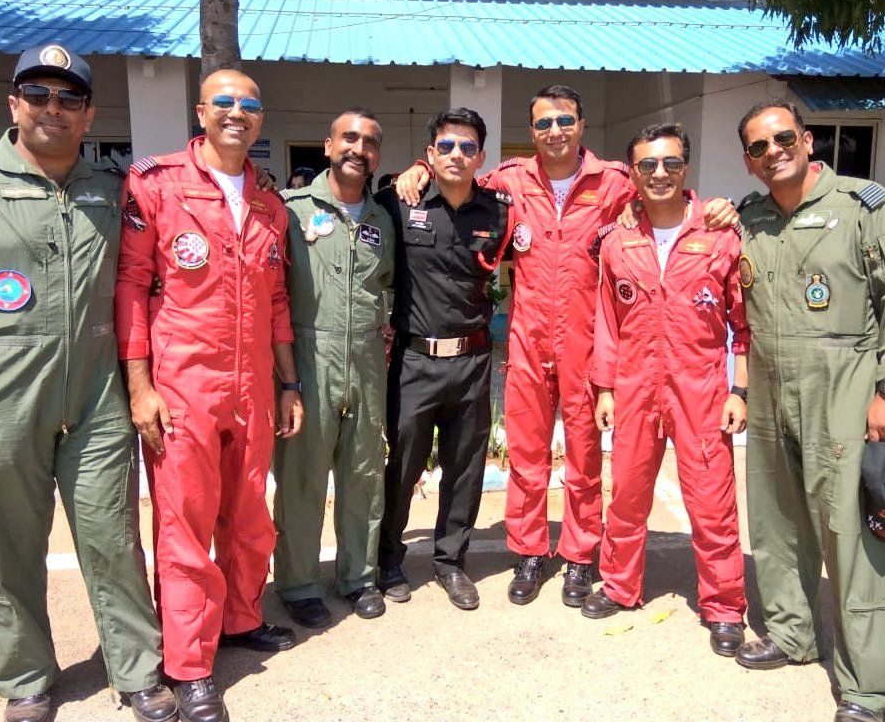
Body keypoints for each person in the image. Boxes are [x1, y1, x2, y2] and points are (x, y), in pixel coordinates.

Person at [396, 85, 736, 607]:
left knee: (584, 459)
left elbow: (669, 200)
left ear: (581, 125)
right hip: (529, 340)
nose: (554, 130)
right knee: (528, 455)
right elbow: (454, 176)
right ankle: (530, 551)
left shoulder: (617, 184)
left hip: (588, 344)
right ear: (532, 131)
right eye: (543, 123)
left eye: (565, 120)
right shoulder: (509, 180)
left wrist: (717, 208)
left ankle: (580, 557)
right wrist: (417, 170)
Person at [0, 43, 175, 722]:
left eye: (69, 98)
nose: (53, 109)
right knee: (7, 549)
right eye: (37, 94)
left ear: (89, 112)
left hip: (95, 397)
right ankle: (27, 678)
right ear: (13, 103)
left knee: (111, 538)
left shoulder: (112, 188)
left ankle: (136, 670)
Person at [116, 69, 302, 722]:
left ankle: (241, 620)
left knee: (250, 513)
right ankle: (189, 665)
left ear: (259, 119)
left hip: (252, 384)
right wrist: (140, 386)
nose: (236, 113)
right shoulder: (158, 185)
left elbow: (277, 301)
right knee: (186, 525)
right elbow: (133, 285)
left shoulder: (268, 203)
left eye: (249, 105)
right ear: (200, 111)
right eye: (223, 102)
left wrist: (288, 383)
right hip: (186, 384)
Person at [733, 100, 885, 722]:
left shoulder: (865, 206)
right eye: (759, 147)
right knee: (776, 518)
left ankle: (869, 688)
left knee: (851, 532)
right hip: (769, 383)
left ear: (807, 139)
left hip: (845, 380)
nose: (774, 152)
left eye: (783, 138)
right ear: (749, 161)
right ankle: (792, 634)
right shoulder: (750, 218)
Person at [589, 124, 748, 657]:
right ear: (632, 173)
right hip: (634, 387)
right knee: (628, 494)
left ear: (687, 169)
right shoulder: (617, 242)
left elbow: (743, 324)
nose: (660, 174)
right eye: (648, 165)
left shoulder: (722, 235)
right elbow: (607, 323)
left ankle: (724, 606)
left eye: (671, 164)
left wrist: (738, 390)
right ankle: (619, 585)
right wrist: (605, 388)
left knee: (712, 503)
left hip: (700, 389)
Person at [376, 108, 511, 610]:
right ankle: (388, 559)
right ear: (431, 154)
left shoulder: (499, 210)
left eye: (468, 147)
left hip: (473, 362)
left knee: (465, 467)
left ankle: (450, 562)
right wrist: (407, 172)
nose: (457, 155)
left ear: (481, 156)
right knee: (404, 466)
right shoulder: (397, 200)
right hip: (414, 362)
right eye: (447, 146)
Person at [273, 108, 395, 626]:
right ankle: (299, 583)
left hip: (366, 358)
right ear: (327, 146)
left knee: (363, 474)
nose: (358, 148)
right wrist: (286, 378)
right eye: (349, 138)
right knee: (302, 477)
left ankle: (357, 577)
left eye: (369, 141)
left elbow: (385, 283)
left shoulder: (382, 219)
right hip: (308, 353)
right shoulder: (290, 209)